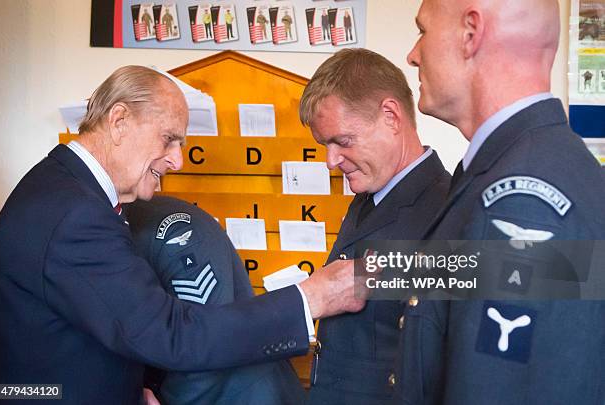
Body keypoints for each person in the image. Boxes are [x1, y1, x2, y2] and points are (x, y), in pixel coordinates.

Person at [0, 66, 366, 404]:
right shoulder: (77, 213)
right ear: (119, 120)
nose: (177, 161)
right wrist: (309, 298)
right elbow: (172, 335)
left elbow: (99, 324)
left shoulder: (61, 187)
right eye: (169, 140)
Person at [394, 1, 605, 404]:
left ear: (470, 34)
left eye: (422, 31)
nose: (413, 54)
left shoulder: (522, 199)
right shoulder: (552, 164)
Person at [299, 48, 450, 405]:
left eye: (342, 141)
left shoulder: (444, 213)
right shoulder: (369, 195)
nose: (330, 161)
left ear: (391, 116)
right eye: (324, 145)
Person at [127, 196, 306, 405]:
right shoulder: (111, 222)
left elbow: (201, 351)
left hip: (237, 395)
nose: (174, 163)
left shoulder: (170, 226)